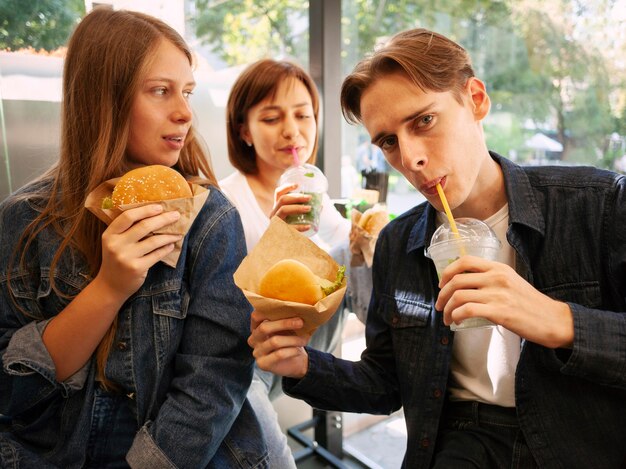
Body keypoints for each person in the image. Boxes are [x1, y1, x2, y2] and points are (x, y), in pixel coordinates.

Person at [248, 28, 626, 468]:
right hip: (459, 444)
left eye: (423, 121)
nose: (410, 159)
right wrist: (301, 365)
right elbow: (385, 383)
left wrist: (558, 320)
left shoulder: (597, 206)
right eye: (388, 141)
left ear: (476, 99)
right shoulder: (398, 243)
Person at [0, 9, 267, 468]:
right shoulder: (23, 221)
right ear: (101, 99)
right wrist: (109, 288)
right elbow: (13, 391)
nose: (184, 112)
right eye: (160, 91)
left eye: (186, 92)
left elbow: (215, 380)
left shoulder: (208, 219)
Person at [219, 58, 351, 468]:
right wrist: (277, 235)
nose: (292, 130)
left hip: (310, 361)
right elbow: (224, 301)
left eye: (303, 115)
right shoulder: (224, 203)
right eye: (272, 117)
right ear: (244, 130)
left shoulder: (318, 198)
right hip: (242, 370)